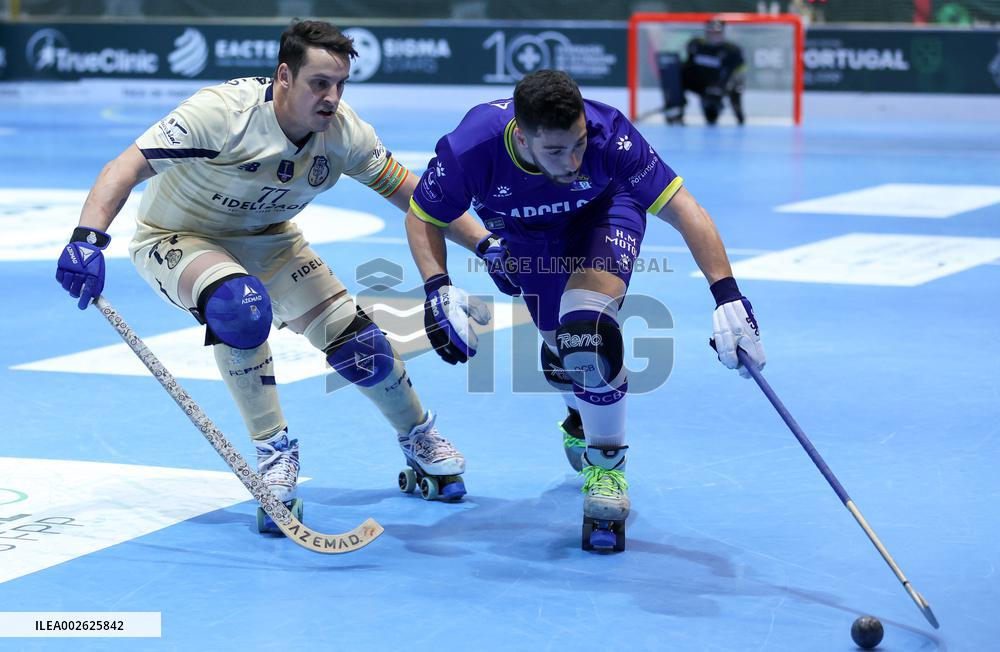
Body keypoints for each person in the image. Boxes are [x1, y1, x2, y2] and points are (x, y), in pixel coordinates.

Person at [55, 20, 482, 515]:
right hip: (179, 237)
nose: (331, 98)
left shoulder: (344, 133)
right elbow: (125, 166)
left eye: (340, 84)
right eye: (319, 84)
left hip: (271, 240)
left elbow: (418, 195)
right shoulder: (221, 114)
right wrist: (88, 238)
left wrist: (488, 245)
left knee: (361, 347)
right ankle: (273, 452)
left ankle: (419, 437)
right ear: (284, 76)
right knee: (241, 307)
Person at [404, 69, 765, 551]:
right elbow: (424, 215)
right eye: (555, 151)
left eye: (577, 143)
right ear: (522, 136)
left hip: (605, 213)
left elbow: (684, 209)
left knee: (587, 335)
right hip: (527, 238)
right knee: (565, 351)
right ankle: (578, 411)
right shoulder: (471, 148)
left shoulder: (609, 134)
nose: (573, 160)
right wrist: (438, 287)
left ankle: (607, 468)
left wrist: (728, 295)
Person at [665, 18, 746, 126]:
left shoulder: (732, 51)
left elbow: (737, 75)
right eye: (710, 32)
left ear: (722, 33)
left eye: (717, 33)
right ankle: (676, 111)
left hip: (720, 86)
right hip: (700, 84)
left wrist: (722, 88)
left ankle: (738, 116)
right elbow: (687, 66)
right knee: (675, 76)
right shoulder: (696, 45)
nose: (713, 36)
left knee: (711, 115)